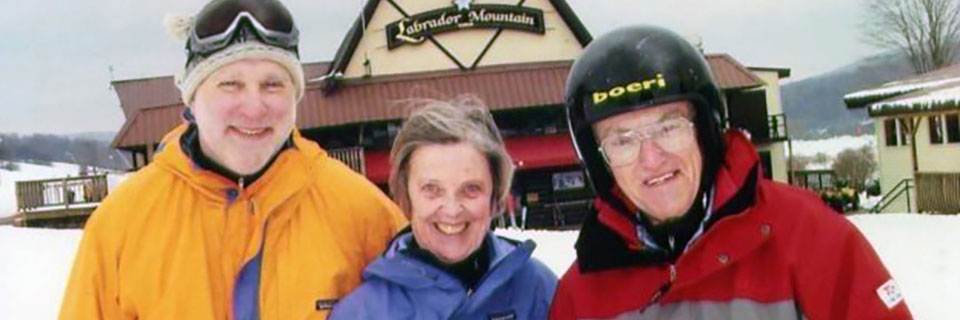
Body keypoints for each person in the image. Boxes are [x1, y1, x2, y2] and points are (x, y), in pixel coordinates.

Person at [59, 0, 406, 319]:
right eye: (230, 84)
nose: (254, 107)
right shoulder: (122, 224)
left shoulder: (365, 214)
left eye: (273, 85)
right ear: (193, 98)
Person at [549, 25, 912, 320]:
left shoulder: (806, 236)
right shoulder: (581, 297)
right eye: (622, 141)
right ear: (600, 162)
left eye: (669, 128)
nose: (651, 158)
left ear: (705, 132)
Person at [329, 98, 557, 320]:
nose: (452, 210)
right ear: (406, 196)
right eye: (432, 189)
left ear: (494, 194)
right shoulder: (363, 313)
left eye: (471, 189)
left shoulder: (540, 290)